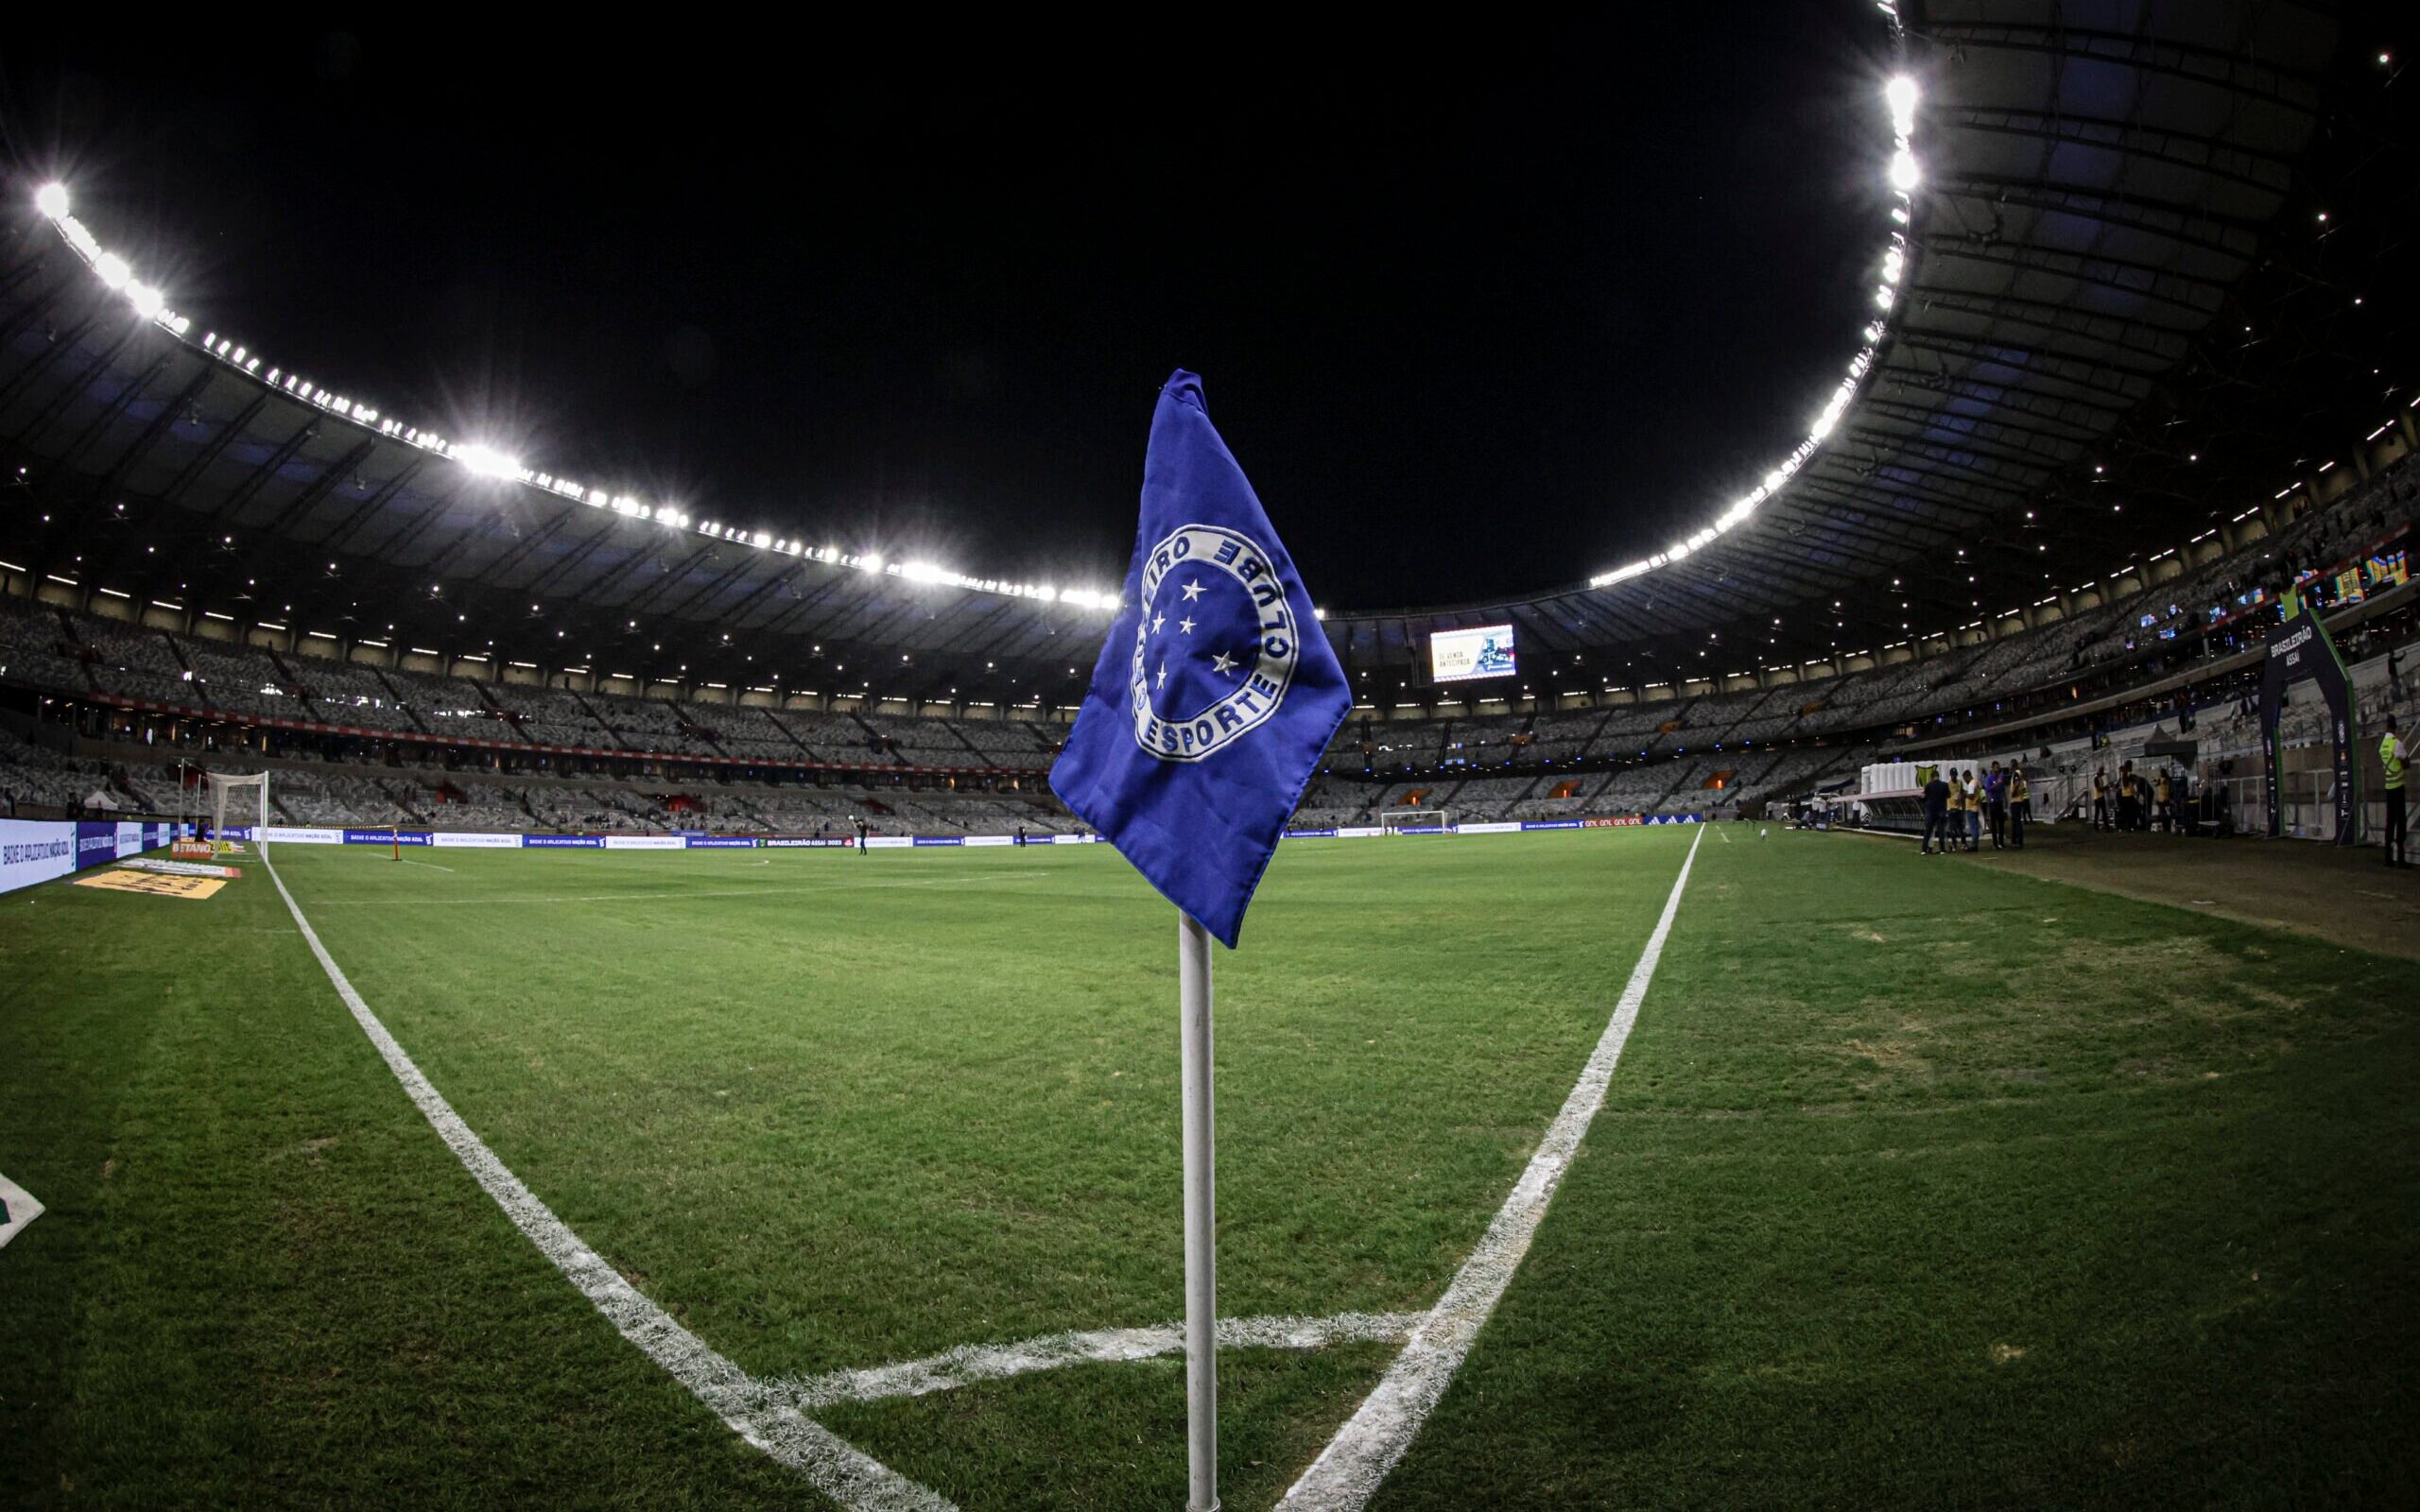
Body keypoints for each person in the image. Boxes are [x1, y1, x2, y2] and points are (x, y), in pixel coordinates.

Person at [2383, 713, 2409, 868]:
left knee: (2390, 822)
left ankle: (2387, 857)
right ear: (2395, 727)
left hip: (2388, 786)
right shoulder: (2396, 743)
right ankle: (2401, 858)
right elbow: (2406, 761)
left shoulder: (2383, 745)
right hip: (2398, 786)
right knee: (2401, 822)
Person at [1921, 765, 1951, 855]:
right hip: (1941, 810)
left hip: (1931, 811)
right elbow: (1948, 795)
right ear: (1938, 776)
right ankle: (1942, 849)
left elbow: (1924, 797)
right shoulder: (1944, 785)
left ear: (1931, 777)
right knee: (1941, 831)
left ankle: (1924, 850)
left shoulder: (1928, 785)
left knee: (1928, 831)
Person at [1985, 761, 2008, 850]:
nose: (1997, 770)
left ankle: (2001, 842)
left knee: (2001, 823)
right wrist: (1996, 784)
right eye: (1996, 768)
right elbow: (1988, 789)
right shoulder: (1989, 778)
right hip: (1993, 803)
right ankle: (1995, 843)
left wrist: (2005, 799)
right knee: (1994, 824)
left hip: (1999, 802)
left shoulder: (2000, 777)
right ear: (1993, 768)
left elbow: (2003, 789)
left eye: (1998, 768)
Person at [2009, 765, 2031, 849]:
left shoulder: (2016, 774)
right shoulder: (2020, 775)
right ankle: (2015, 841)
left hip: (2016, 801)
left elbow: (2016, 784)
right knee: (2015, 822)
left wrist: (2014, 793)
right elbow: (2024, 789)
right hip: (2019, 800)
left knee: (2016, 822)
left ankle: (2018, 841)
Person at [1962, 769, 1983, 851]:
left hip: (1971, 808)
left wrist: (1965, 794)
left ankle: (1974, 845)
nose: (1965, 781)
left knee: (1973, 828)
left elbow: (1971, 796)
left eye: (1965, 779)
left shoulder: (1971, 783)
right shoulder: (1976, 782)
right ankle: (1975, 844)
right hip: (1976, 807)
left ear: (1968, 776)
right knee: (1975, 827)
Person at [2153, 766, 2173, 833]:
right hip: (2167, 798)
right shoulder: (2168, 780)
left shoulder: (2161, 779)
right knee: (2167, 812)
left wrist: (2156, 780)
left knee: (2162, 813)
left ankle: (2164, 826)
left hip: (2161, 798)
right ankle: (2168, 825)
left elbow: (2157, 784)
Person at [2093, 765, 2112, 830]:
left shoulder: (2100, 778)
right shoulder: (2096, 778)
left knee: (2102, 812)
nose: (2103, 772)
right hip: (2098, 797)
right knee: (2099, 812)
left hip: (2100, 796)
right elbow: (2098, 789)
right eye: (2102, 771)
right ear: (2100, 771)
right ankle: (2098, 826)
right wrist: (2106, 788)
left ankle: (2104, 826)